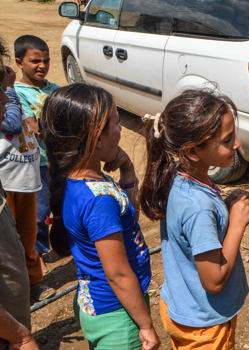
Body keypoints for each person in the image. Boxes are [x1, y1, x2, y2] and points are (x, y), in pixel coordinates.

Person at [40, 84, 160, 350]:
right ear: (96, 138)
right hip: (119, 315)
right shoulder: (98, 201)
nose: (120, 131)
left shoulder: (79, 183)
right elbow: (118, 273)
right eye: (116, 124)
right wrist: (145, 325)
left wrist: (128, 170)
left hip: (97, 302)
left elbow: (127, 222)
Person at [138, 90, 249, 349]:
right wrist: (236, 223)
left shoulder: (181, 175)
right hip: (204, 326)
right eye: (227, 140)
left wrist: (225, 206)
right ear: (192, 152)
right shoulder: (198, 207)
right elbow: (213, 280)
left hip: (182, 306)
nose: (236, 143)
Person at [0, 48, 39, 350]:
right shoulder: (11, 100)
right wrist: (20, 336)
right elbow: (13, 123)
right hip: (10, 333)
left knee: (27, 238)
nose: (4, 98)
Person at [13, 35, 59, 265]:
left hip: (60, 161)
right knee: (39, 214)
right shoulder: (18, 93)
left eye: (46, 61)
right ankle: (36, 257)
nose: (42, 66)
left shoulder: (55, 90)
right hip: (38, 163)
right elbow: (34, 129)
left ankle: (61, 244)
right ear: (19, 62)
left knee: (62, 207)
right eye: (35, 61)